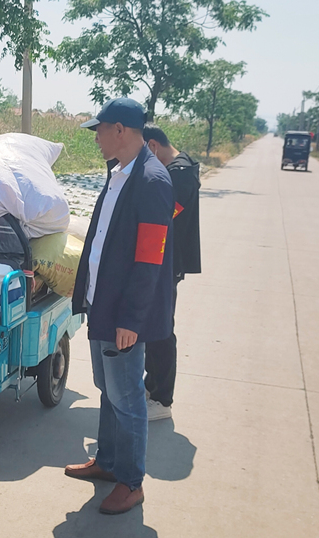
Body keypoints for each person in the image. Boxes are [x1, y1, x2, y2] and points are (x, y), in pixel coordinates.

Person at [64, 98, 174, 515]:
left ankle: (131, 482)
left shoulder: (152, 181)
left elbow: (149, 260)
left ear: (120, 130)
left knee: (127, 399)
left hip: (123, 314)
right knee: (108, 390)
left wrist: (132, 319)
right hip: (103, 304)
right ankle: (108, 462)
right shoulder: (119, 173)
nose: (96, 138)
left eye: (99, 130)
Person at [142, 124, 202, 421]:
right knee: (153, 328)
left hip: (166, 263)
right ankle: (151, 387)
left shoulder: (180, 174)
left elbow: (163, 215)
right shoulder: (180, 168)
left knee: (161, 330)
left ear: (152, 146)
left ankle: (162, 399)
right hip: (163, 261)